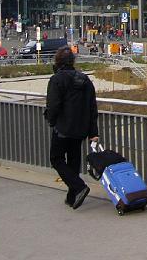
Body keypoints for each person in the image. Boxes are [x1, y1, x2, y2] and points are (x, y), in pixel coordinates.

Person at [44, 46, 98, 209]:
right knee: (73, 161)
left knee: (56, 159)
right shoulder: (85, 79)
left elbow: (53, 105)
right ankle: (72, 196)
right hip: (80, 128)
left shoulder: (57, 79)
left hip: (63, 128)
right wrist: (92, 132)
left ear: (58, 61)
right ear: (72, 61)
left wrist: (52, 121)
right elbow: (92, 107)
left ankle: (79, 187)